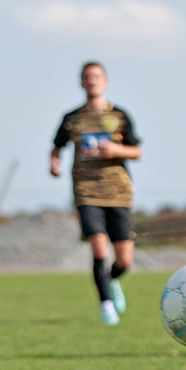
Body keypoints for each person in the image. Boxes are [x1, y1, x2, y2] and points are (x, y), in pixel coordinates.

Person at [50, 61, 142, 326]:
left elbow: (136, 151)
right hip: (87, 192)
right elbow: (57, 146)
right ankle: (106, 307)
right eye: (87, 77)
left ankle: (111, 281)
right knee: (100, 250)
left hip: (118, 192)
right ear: (81, 82)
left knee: (124, 260)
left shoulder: (121, 116)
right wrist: (53, 163)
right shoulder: (72, 119)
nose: (92, 81)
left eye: (97, 77)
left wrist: (116, 151)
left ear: (106, 82)